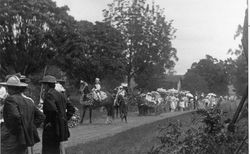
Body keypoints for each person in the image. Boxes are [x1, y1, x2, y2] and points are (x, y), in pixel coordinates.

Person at [1, 75, 45, 154]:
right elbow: (41, 116)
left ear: (9, 88)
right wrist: (29, 127)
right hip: (25, 138)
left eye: (7, 87)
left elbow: (15, 116)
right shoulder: (28, 101)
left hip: (12, 138)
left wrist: (14, 131)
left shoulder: (10, 99)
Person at [40, 75, 75, 154]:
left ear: (46, 85)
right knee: (56, 149)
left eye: (44, 84)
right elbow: (71, 109)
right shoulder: (61, 95)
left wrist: (49, 122)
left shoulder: (49, 95)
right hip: (61, 127)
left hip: (52, 128)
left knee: (49, 150)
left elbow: (52, 110)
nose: (43, 86)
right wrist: (64, 119)